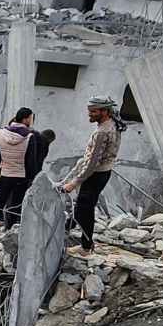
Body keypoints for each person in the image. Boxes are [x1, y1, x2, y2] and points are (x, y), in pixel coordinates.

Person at [58, 96, 124, 252]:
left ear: (105, 111)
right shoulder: (112, 123)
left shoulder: (102, 132)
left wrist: (74, 182)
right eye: (89, 111)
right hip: (102, 173)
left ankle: (85, 246)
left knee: (84, 210)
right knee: (84, 207)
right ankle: (68, 229)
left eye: (94, 111)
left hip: (95, 175)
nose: (90, 114)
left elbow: (93, 163)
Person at [0, 107, 39, 230]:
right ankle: (10, 229)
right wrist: (32, 178)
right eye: (30, 118)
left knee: (0, 202)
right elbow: (31, 161)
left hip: (5, 174)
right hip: (21, 176)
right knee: (16, 204)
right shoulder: (29, 137)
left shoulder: (1, 133)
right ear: (25, 119)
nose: (31, 121)